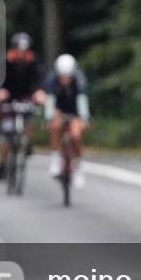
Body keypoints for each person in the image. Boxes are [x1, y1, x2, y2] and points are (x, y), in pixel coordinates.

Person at [0, 32, 47, 180]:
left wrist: (40, 92)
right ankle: (2, 163)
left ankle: (28, 143)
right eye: (19, 50)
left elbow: (40, 78)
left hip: (26, 96)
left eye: (25, 50)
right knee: (5, 133)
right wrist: (0, 90)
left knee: (29, 119)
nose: (22, 53)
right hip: (8, 95)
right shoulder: (5, 60)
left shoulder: (34, 61)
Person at [43, 53, 90, 188]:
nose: (65, 79)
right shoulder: (52, 80)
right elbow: (50, 100)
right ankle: (55, 159)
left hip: (74, 111)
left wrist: (84, 118)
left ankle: (78, 168)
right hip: (59, 109)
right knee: (55, 127)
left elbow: (82, 100)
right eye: (62, 76)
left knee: (76, 136)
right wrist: (49, 117)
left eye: (68, 76)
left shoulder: (79, 79)